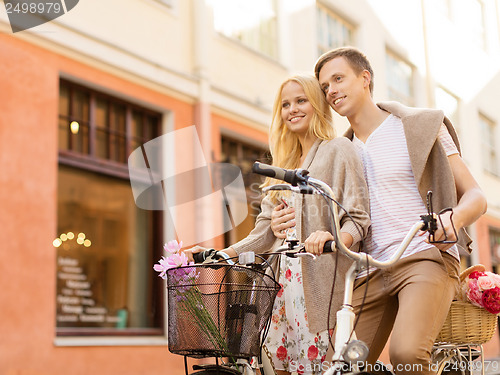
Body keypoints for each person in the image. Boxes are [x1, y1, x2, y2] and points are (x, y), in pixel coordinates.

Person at [271, 47, 487, 375]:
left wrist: (452, 219)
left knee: (407, 355)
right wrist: (282, 220)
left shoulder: (421, 126)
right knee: (341, 366)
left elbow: (476, 196)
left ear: (365, 79)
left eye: (338, 79)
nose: (331, 91)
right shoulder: (339, 151)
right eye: (325, 86)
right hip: (367, 270)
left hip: (423, 257)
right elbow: (330, 214)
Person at [183, 74, 370, 375]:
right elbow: (262, 235)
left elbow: (358, 219)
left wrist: (332, 237)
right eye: (285, 104)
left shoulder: (338, 149)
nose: (292, 109)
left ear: (317, 105)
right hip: (278, 291)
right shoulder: (281, 165)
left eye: (301, 101)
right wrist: (219, 254)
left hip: (320, 288)